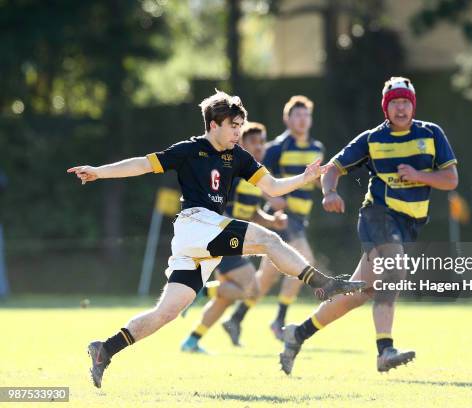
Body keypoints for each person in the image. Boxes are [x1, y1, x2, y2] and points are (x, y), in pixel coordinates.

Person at [67, 90, 365, 388]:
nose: (238, 131)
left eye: (240, 125)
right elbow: (142, 164)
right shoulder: (188, 150)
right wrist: (99, 172)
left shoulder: (238, 156)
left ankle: (104, 350)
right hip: (195, 224)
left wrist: (304, 178)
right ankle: (323, 283)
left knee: (166, 312)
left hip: (201, 240)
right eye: (233, 125)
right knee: (268, 240)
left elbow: (272, 188)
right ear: (213, 124)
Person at [279, 77, 459, 374]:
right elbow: (332, 169)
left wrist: (419, 174)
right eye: (394, 103)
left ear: (413, 105)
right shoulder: (373, 139)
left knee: (359, 294)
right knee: (395, 268)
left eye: (406, 102)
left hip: (409, 222)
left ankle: (297, 334)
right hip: (377, 215)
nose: (400, 108)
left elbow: (451, 179)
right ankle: (384, 350)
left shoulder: (431, 134)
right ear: (385, 108)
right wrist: (329, 192)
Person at [179, 121, 287, 352]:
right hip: (224, 238)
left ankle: (191, 341)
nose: (259, 147)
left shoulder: (255, 175)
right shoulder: (234, 172)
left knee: (225, 297)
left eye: (261, 142)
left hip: (233, 239)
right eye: (253, 142)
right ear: (241, 144)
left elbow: (252, 213)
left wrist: (272, 221)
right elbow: (219, 207)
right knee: (253, 289)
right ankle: (199, 291)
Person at [225, 95, 325, 342]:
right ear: (287, 119)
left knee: (267, 277)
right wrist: (271, 195)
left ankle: (236, 319)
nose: (302, 120)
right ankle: (280, 319)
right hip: (282, 217)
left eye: (306, 115)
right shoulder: (277, 148)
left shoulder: (317, 148)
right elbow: (254, 172)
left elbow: (317, 179)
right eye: (297, 115)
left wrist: (326, 188)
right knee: (305, 260)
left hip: (302, 217)